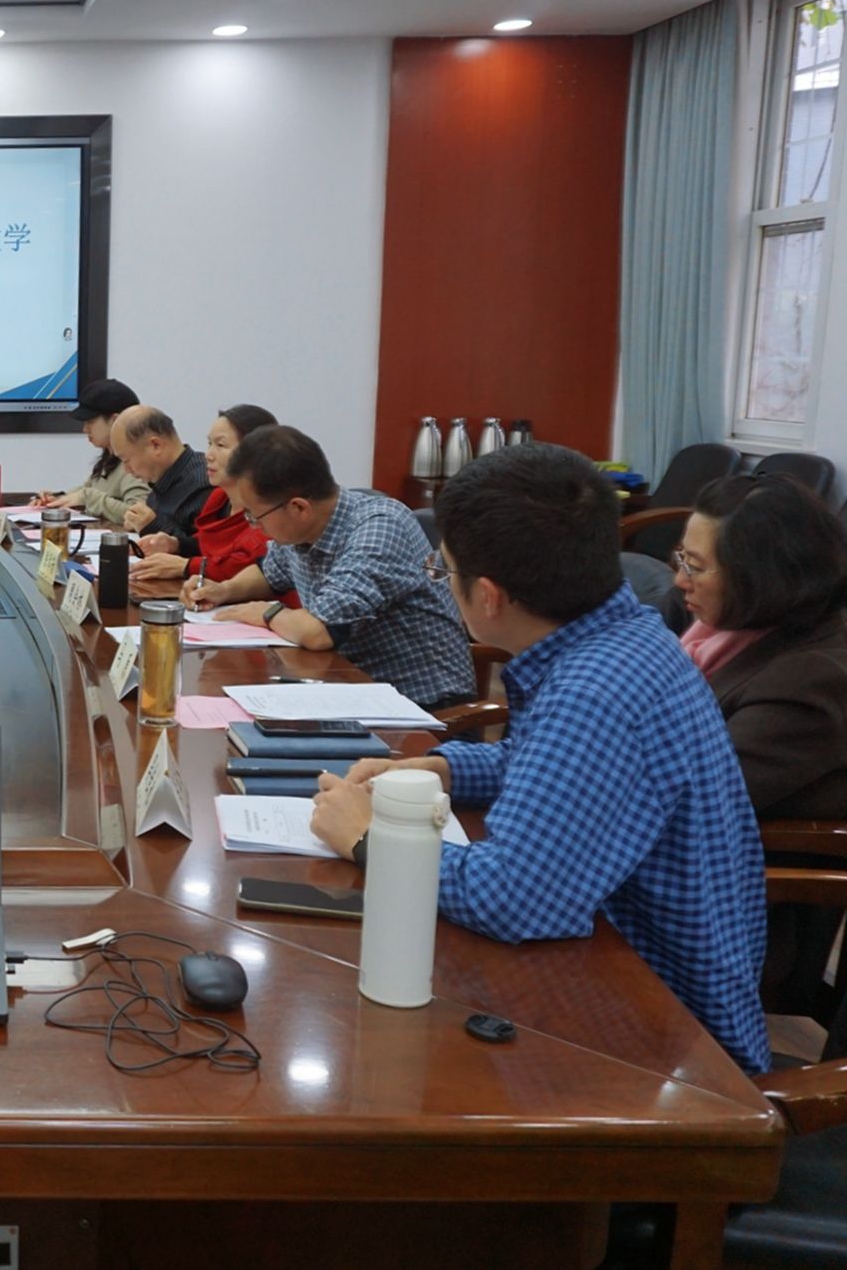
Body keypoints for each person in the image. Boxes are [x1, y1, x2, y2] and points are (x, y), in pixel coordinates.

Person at [307, 444, 771, 1074]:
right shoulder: (621, 635)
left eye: (444, 571)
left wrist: (368, 839)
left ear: (489, 596)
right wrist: (442, 769)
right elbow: (561, 769)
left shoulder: (596, 692)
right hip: (610, 981)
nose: (442, 583)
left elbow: (513, 899)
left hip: (668, 1051)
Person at [190, 425, 474, 708]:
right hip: (348, 688)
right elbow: (269, 572)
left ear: (299, 508)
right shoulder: (298, 530)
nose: (254, 526)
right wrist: (224, 590)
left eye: (254, 516)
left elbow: (319, 631)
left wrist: (267, 613)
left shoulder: (378, 528)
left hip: (422, 706)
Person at [673, 474, 847, 824]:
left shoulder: (809, 682)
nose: (680, 579)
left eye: (696, 567)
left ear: (761, 577)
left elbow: (701, 799)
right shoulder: (709, 618)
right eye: (682, 558)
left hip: (738, 849)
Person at [131, 404, 295, 605]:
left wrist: (186, 566)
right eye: (209, 444)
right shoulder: (219, 497)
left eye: (221, 445)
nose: (208, 455)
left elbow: (250, 563)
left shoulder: (272, 511)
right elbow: (206, 540)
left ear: (257, 454)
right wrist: (176, 544)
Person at [28, 378, 150, 524]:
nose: (85, 429)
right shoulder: (108, 459)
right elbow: (87, 490)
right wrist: (57, 499)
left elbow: (139, 516)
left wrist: (89, 498)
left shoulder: (136, 464)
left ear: (115, 420)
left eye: (90, 422)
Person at [110, 407, 209, 548]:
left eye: (126, 460)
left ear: (155, 445)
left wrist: (151, 525)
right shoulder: (162, 478)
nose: (126, 470)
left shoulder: (205, 483)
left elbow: (206, 549)